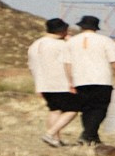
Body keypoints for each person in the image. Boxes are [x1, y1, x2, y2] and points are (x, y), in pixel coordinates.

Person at [66, 16, 115, 153]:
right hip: (101, 79)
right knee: (100, 109)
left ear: (81, 26)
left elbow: (67, 64)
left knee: (86, 109)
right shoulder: (105, 40)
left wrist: (70, 80)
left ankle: (92, 136)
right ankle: (87, 134)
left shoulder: (71, 42)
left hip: (80, 79)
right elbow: (114, 62)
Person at [28, 18, 78, 147]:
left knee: (55, 110)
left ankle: (55, 140)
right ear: (62, 30)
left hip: (43, 83)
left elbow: (31, 66)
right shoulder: (61, 45)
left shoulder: (35, 45)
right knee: (73, 109)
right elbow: (71, 60)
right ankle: (50, 134)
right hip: (61, 83)